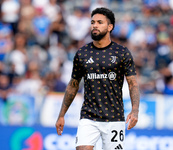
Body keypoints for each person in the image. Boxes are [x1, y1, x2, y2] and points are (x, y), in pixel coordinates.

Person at [55, 7, 140, 150]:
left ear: (110, 27)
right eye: (93, 22)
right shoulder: (82, 53)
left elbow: (132, 84)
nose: (94, 25)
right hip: (89, 116)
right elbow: (73, 84)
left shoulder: (122, 53)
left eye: (100, 22)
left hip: (114, 117)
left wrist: (135, 110)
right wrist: (61, 114)